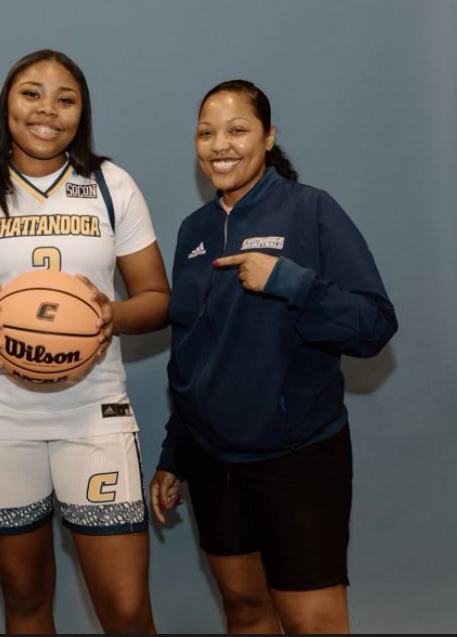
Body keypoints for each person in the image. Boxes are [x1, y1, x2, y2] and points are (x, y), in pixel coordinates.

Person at [0, 48, 171, 634]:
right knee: (26, 600)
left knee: (127, 609)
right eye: (31, 93)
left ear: (82, 113)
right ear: (7, 103)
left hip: (93, 413)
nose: (46, 109)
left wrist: (111, 315)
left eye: (65, 98)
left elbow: (157, 298)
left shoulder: (110, 185)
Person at [150, 79, 398, 634]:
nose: (221, 145)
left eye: (237, 130)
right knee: (244, 610)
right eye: (206, 132)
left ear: (268, 137)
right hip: (214, 464)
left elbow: (375, 327)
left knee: (312, 623)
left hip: (298, 459)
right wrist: (175, 452)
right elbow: (189, 355)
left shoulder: (311, 211)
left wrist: (290, 281)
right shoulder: (194, 231)